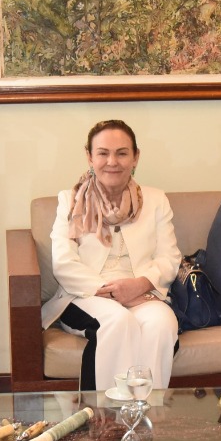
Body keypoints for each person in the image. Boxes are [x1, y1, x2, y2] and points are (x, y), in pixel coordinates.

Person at [41, 120, 180, 394]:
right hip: (85, 294)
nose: (112, 161)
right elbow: (64, 263)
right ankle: (104, 420)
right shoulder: (69, 201)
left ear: (135, 157)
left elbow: (169, 257)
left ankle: (147, 414)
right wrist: (114, 293)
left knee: (161, 324)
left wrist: (140, 285)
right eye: (103, 153)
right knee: (118, 321)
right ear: (90, 157)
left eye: (122, 153)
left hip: (141, 290)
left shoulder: (156, 200)